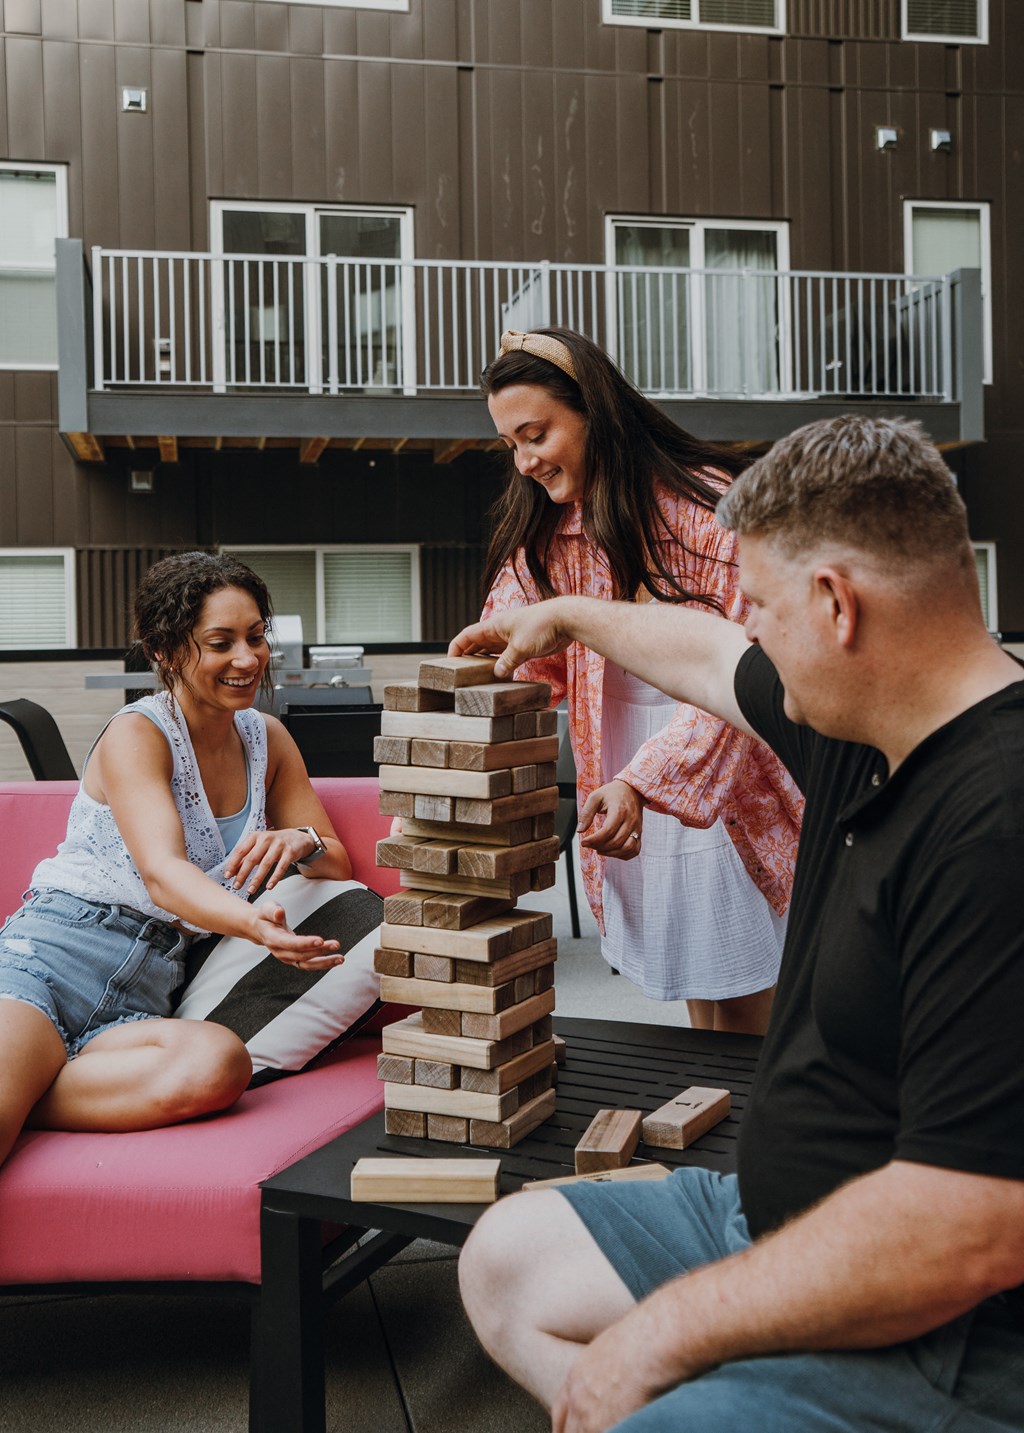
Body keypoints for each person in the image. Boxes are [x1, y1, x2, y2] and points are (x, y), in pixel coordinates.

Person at [451, 414, 1024, 1433]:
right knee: (503, 1266)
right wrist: (570, 615)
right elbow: (707, 655)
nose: (749, 630)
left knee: (660, 1405)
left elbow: (974, 1225)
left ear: (835, 604)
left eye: (761, 605)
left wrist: (662, 1335)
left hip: (947, 1322)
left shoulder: (995, 823)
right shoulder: (870, 725)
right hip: (776, 1220)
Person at [478, 327, 803, 1033]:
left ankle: (768, 1136)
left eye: (536, 433)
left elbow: (751, 668)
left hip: (721, 767)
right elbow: (518, 639)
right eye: (511, 445)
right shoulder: (553, 531)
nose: (526, 461)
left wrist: (645, 780)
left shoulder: (712, 510)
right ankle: (718, 1130)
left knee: (755, 997)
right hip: (623, 760)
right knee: (702, 995)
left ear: (595, 410)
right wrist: (479, 662)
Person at [0, 552, 352, 1169]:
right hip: (57, 956)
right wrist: (253, 926)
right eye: (222, 642)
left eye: (256, 636)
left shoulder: (267, 738)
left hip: (151, 990)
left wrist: (304, 841)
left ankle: (27, 1082)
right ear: (164, 650)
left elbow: (338, 864)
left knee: (218, 1064)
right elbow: (164, 876)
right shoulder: (138, 733)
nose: (248, 659)